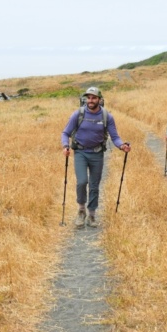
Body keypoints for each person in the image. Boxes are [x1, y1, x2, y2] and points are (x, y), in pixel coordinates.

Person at [61, 86, 131, 228]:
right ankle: (81, 211)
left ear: (99, 99)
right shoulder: (78, 114)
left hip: (97, 154)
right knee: (82, 182)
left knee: (94, 185)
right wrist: (65, 146)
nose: (90, 100)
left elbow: (115, 137)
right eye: (88, 97)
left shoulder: (106, 116)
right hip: (80, 152)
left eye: (93, 98)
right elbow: (65, 133)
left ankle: (91, 214)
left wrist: (122, 146)